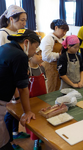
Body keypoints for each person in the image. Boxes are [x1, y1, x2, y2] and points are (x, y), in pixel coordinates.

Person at [0, 29, 40, 150]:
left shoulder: (5, 47)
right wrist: (27, 112)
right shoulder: (20, 56)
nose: (34, 53)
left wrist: (17, 98)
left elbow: (10, 77)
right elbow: (23, 88)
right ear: (27, 42)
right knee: (2, 142)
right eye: (36, 47)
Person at [0, 5, 30, 150]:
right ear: (11, 19)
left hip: (10, 86)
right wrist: (17, 95)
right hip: (6, 86)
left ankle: (12, 136)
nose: (24, 23)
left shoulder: (14, 33)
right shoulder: (3, 34)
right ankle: (9, 142)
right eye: (22, 20)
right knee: (6, 112)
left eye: (25, 20)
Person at [40, 19, 69, 93]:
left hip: (58, 67)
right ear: (56, 28)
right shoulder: (48, 38)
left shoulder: (62, 39)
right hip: (49, 67)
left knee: (56, 88)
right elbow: (45, 56)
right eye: (63, 30)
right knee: (50, 89)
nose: (64, 33)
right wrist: (59, 55)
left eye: (66, 31)